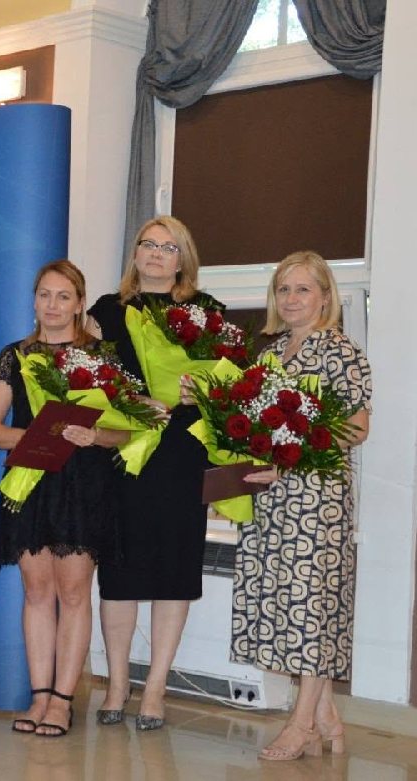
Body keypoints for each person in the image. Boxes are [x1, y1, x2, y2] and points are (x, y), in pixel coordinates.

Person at [232, 251, 371, 761]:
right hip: (271, 500)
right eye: (284, 289)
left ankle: (302, 723)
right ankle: (327, 718)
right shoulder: (270, 353)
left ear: (325, 297)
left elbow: (355, 428)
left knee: (310, 607)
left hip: (316, 500)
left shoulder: (340, 351)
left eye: (303, 289)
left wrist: (291, 460)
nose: (291, 299)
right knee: (288, 606)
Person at [0, 259, 125, 737]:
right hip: (29, 483)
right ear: (34, 300)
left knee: (74, 593)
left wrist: (94, 435)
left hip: (83, 486)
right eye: (44, 294)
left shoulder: (102, 357)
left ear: (80, 303)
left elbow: (126, 432)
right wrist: (35, 437)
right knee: (37, 592)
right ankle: (39, 695)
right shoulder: (14, 356)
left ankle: (63, 701)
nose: (53, 305)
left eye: (64, 296)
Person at [87, 216, 222, 730]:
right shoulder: (106, 311)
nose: (157, 254)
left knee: (173, 569)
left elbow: (228, 386)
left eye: (169, 247)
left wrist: (198, 390)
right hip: (123, 451)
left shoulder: (206, 313)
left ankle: (157, 688)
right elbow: (88, 377)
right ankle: (117, 684)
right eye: (148, 244)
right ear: (136, 252)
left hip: (182, 454)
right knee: (119, 572)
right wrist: (129, 400)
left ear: (183, 258)